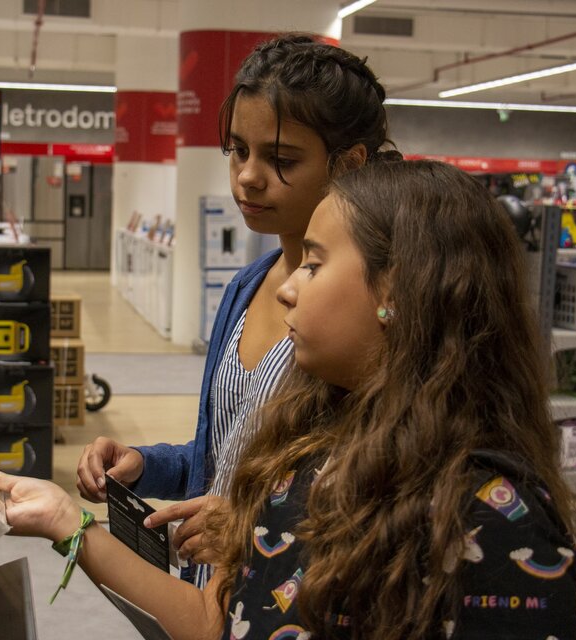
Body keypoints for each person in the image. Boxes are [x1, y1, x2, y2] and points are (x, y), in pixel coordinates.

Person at [0, 157, 576, 639]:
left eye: (313, 265)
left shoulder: (491, 519)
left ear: (396, 291)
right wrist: (66, 522)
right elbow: (212, 620)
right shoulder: (299, 454)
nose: (286, 290)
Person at [76, 34, 395, 575]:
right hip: (210, 591)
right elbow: (222, 460)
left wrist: (259, 527)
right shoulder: (246, 286)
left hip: (291, 598)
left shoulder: (365, 314)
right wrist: (145, 465)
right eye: (238, 151)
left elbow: (386, 495)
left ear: (348, 163)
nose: (248, 175)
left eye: (281, 158)